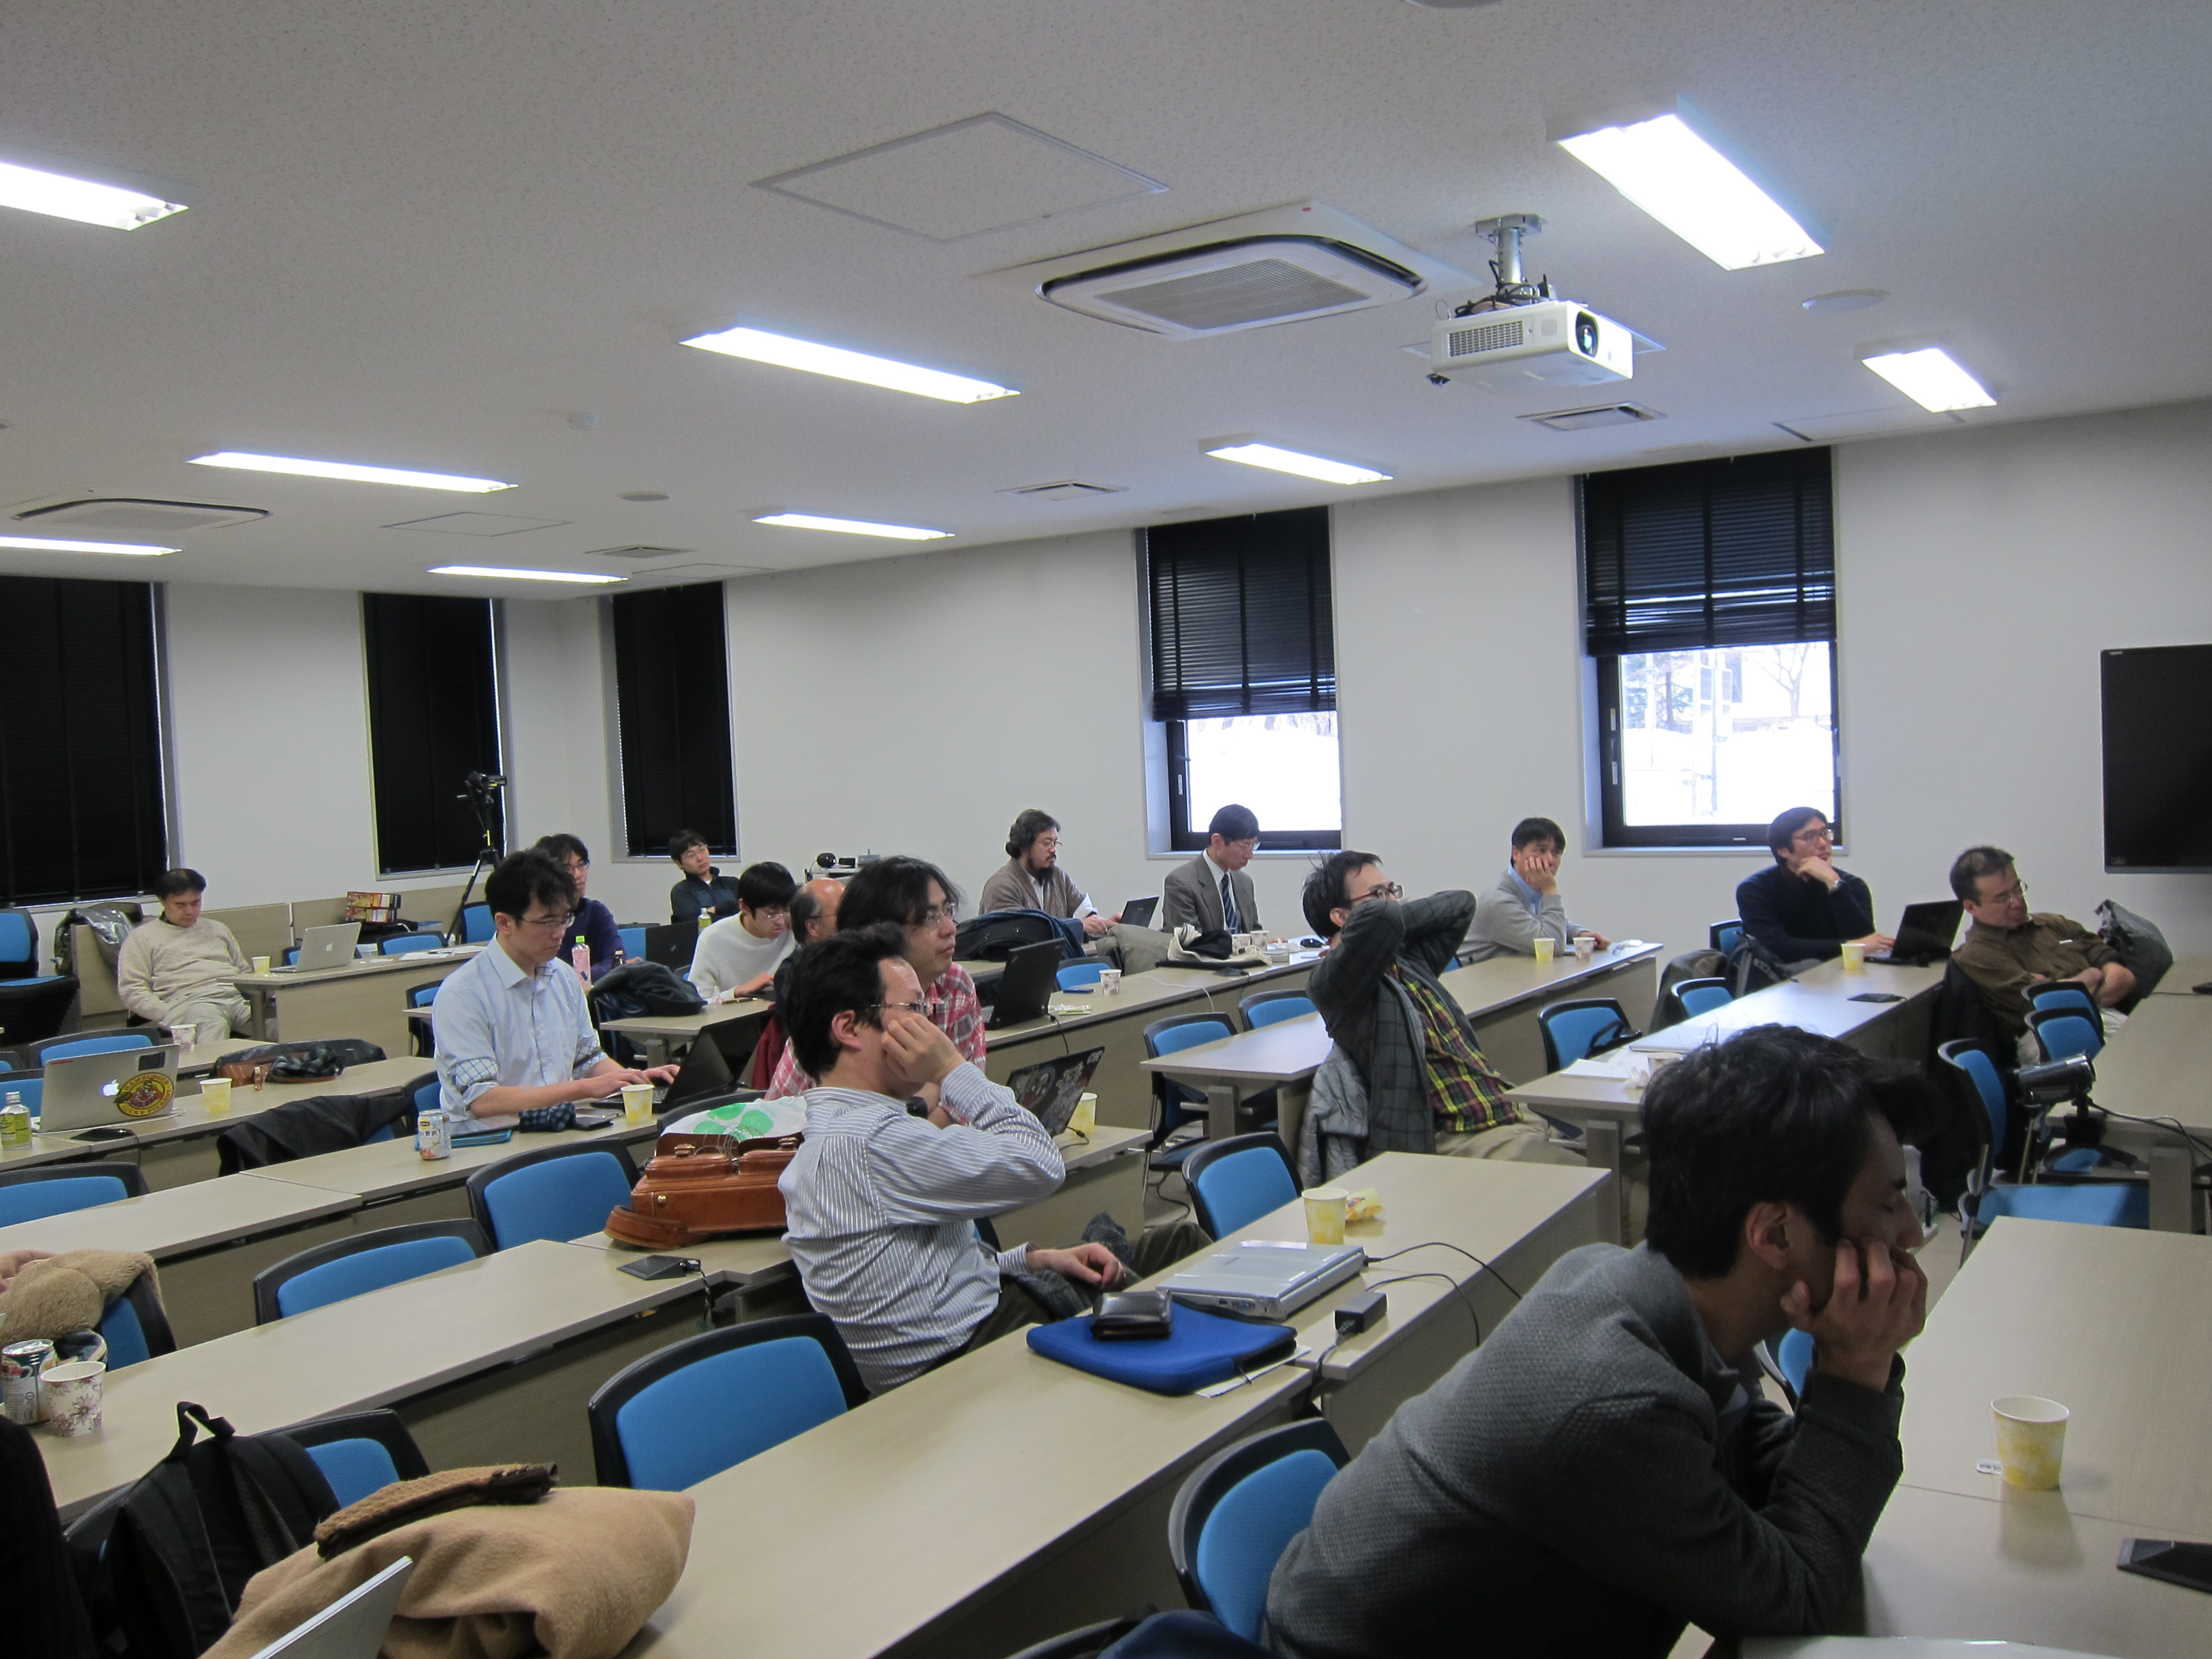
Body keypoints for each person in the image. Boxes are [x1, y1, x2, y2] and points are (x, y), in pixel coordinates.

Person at [1265, 1026, 1931, 1659]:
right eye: (1887, 1204)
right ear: (1776, 1235)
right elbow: (1797, 1596)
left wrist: (1848, 1396)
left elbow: (1750, 1466)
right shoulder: (1613, 1401)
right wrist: (1856, 1370)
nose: (1910, 1233)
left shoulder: (1647, 1290)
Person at [777, 925, 1205, 1393]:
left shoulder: (849, 1131)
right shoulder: (869, 1142)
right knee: (1182, 1264)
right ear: (848, 1028)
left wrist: (1036, 1260)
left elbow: (926, 1271)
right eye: (914, 1011)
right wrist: (950, 1069)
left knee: (1175, 1245)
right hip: (967, 1361)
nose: (932, 1028)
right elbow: (1041, 1163)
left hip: (978, 1322)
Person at [1303, 851, 1580, 1163]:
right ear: (1340, 917)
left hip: (1505, 1108)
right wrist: (1369, 929)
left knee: (1614, 1157)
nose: (1393, 901)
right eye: (1378, 894)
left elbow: (1461, 904)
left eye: (1393, 891)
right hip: (1458, 1133)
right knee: (1600, 1182)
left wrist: (1381, 925)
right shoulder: (1334, 983)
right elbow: (1384, 918)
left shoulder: (1409, 961)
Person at [433, 850, 673, 1125]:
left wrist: (636, 1083)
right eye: (547, 922)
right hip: (490, 1140)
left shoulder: (564, 976)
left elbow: (588, 1060)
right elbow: (484, 1101)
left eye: (564, 919)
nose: (559, 932)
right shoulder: (463, 994)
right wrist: (583, 1089)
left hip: (558, 1128)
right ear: (505, 922)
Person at [765, 856, 986, 1098]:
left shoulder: (955, 985)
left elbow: (969, 1098)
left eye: (947, 911)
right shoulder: (836, 999)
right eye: (929, 917)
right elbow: (783, 1109)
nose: (950, 928)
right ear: (876, 930)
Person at [1948, 845, 2133, 1059]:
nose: (2017, 902)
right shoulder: (1977, 954)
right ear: (1971, 907)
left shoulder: (2052, 923)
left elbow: (2120, 973)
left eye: (2018, 889)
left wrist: (2082, 987)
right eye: (2002, 898)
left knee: (2152, 1040)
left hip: (2104, 1014)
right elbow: (2047, 1000)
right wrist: (2093, 974)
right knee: (2132, 1057)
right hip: (2046, 1032)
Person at [1735, 808, 1894, 966]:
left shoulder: (1851, 884)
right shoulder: (1754, 890)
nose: (1823, 844)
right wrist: (1849, 946)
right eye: (1810, 837)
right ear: (1784, 851)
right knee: (1809, 964)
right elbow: (1777, 948)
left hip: (1844, 972)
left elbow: (1866, 941)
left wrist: (1835, 886)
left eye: (1825, 833)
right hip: (1784, 975)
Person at [115, 868, 252, 1046]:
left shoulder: (218, 929)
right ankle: (212, 1065)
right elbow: (132, 990)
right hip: (189, 1003)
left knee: (279, 1018)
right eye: (180, 905)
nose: (190, 911)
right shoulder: (142, 937)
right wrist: (165, 1012)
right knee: (211, 1022)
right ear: (163, 901)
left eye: (196, 903)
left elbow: (244, 972)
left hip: (235, 997)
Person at [1466, 816, 1610, 962]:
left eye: (1556, 853)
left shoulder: (1530, 888)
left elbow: (1541, 924)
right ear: (1516, 853)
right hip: (1477, 974)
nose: (1550, 860)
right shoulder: (1499, 900)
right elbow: (1553, 946)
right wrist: (1550, 891)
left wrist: (1580, 934)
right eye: (1541, 850)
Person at [977, 809, 1119, 939]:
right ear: (1025, 846)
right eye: (1047, 843)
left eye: (1055, 843)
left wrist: (1104, 924)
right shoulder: (1002, 885)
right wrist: (1078, 926)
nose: (1053, 850)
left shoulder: (1059, 878)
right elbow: (1020, 932)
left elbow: (1083, 913)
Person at [689, 862, 799, 1002]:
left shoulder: (794, 929)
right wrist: (736, 993)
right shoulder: (713, 938)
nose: (781, 921)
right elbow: (696, 1002)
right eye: (771, 914)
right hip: (739, 1014)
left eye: (786, 910)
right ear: (744, 907)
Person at [533, 833, 622, 980]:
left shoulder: (596, 912)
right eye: (568, 868)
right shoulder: (538, 919)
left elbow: (616, 962)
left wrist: (578, 977)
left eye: (581, 865)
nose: (578, 874)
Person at [1162, 804, 1262, 934]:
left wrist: (1264, 942)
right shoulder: (1181, 882)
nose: (1250, 855)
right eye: (1244, 845)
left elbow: (1254, 930)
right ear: (1217, 841)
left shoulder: (1244, 881)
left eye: (1253, 845)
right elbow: (1187, 941)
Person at [668, 830, 742, 926]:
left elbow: (749, 911)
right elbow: (696, 922)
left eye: (702, 850)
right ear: (679, 863)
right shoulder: (682, 891)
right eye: (691, 855)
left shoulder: (733, 883)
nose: (700, 858)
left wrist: (715, 910)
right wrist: (730, 911)